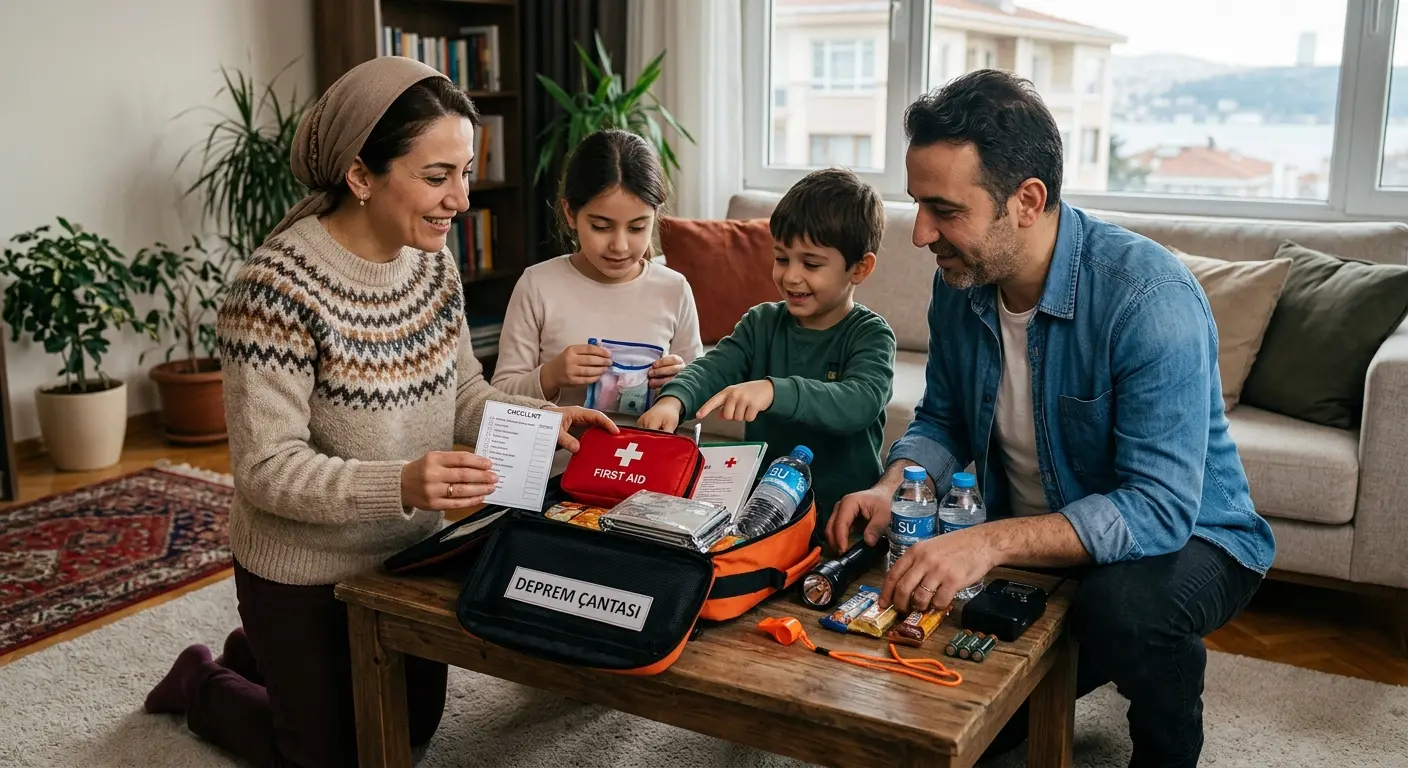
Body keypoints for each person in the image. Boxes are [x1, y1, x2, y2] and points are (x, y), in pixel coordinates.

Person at [142, 56, 617, 767]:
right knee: (335, 758)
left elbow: (462, 395)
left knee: (410, 736)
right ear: (360, 176)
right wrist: (399, 483)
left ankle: (261, 654)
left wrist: (541, 418)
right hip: (303, 569)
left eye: (465, 171)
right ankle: (205, 681)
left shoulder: (432, 263)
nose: (461, 198)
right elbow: (267, 471)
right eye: (437, 176)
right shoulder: (272, 291)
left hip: (406, 559)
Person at [826, 69, 1273, 768]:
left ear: (1027, 201)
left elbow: (1158, 508)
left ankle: (1167, 747)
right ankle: (1064, 666)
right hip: (1044, 534)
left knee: (1123, 611)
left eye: (943, 209)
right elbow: (942, 417)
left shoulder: (1148, 298)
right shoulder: (962, 284)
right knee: (942, 739)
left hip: (1195, 535)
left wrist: (987, 544)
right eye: (918, 205)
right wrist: (895, 488)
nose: (921, 234)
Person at [638, 167, 896, 524]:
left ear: (860, 268)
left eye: (811, 263)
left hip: (843, 516)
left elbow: (860, 403)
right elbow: (714, 367)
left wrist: (774, 391)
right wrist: (674, 400)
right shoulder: (760, 323)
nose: (790, 276)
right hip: (763, 510)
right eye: (782, 258)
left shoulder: (870, 334)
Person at [491, 129, 702, 420]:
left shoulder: (674, 289)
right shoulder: (537, 286)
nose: (620, 245)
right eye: (602, 227)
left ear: (656, 215)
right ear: (570, 213)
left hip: (648, 458)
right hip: (560, 461)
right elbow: (497, 401)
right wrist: (550, 375)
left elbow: (701, 395)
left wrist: (680, 388)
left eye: (637, 227)